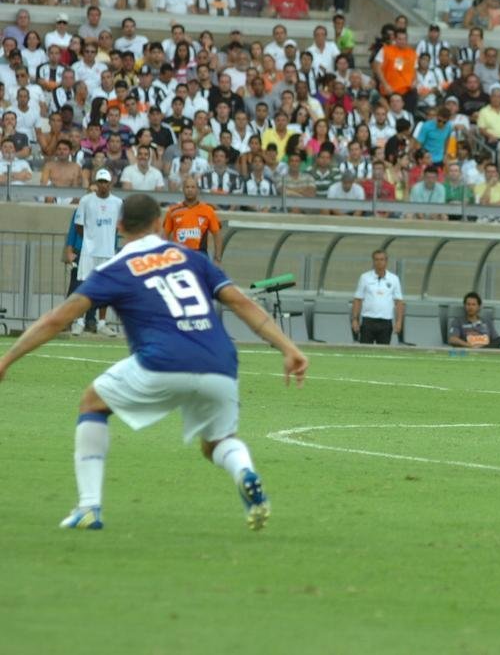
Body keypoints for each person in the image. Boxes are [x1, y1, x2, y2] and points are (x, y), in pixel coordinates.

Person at [0, 193, 308, 531]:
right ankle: (244, 471)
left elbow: (56, 320)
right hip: (220, 362)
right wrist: (288, 347)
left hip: (163, 361)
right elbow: (241, 303)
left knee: (93, 401)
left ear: (120, 227)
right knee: (218, 442)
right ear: (160, 224)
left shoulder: (114, 269)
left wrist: (7, 358)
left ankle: (89, 508)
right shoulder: (191, 257)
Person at [74, 169, 122, 337]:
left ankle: (102, 323)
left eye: (105, 182)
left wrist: (105, 239)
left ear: (110, 183)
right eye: (100, 181)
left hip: (107, 252)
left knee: (105, 288)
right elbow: (79, 226)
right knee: (83, 286)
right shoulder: (86, 201)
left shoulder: (118, 203)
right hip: (89, 253)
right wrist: (90, 241)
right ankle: (79, 321)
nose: (102, 185)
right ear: (96, 182)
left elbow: (119, 226)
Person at [351, 249, 405, 345]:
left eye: (382, 259)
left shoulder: (394, 279)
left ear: (386, 261)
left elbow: (399, 302)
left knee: (383, 351)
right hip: (368, 320)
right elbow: (358, 299)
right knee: (365, 351)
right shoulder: (365, 277)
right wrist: (355, 319)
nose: (379, 262)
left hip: (386, 321)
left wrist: (399, 321)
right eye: (376, 259)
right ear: (373, 261)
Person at [162, 177, 222, 261]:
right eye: (187, 187)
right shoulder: (172, 211)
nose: (190, 190)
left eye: (193, 187)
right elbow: (165, 235)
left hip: (200, 254)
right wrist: (164, 256)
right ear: (183, 189)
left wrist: (217, 258)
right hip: (179, 254)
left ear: (197, 190)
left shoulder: (208, 210)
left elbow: (217, 235)